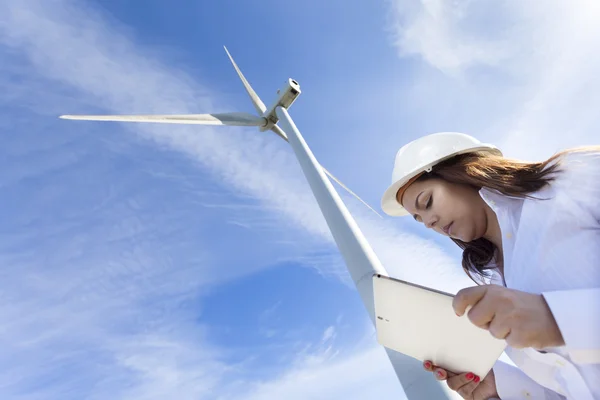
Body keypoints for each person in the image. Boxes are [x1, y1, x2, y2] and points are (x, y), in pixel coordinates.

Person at [380, 132, 600, 400]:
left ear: (462, 173)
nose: (429, 222)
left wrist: (558, 319)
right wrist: (500, 390)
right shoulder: (496, 284)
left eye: (426, 202)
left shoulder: (572, 178)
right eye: (419, 219)